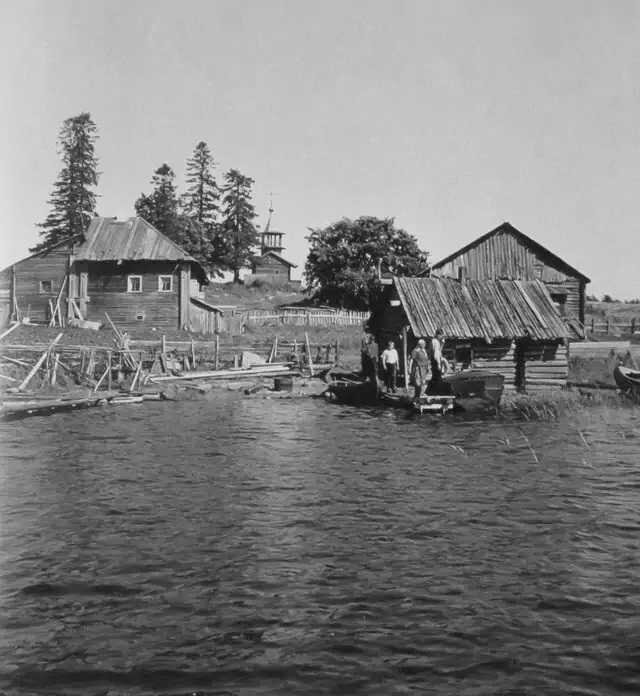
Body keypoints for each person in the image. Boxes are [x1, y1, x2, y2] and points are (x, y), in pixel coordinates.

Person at [427, 328, 446, 392]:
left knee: (436, 376)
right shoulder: (435, 341)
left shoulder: (437, 341)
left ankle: (432, 391)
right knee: (437, 377)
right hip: (436, 360)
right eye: (441, 335)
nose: (442, 337)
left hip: (436, 360)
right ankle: (434, 391)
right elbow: (436, 353)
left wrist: (442, 344)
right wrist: (438, 364)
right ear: (438, 335)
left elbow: (439, 351)